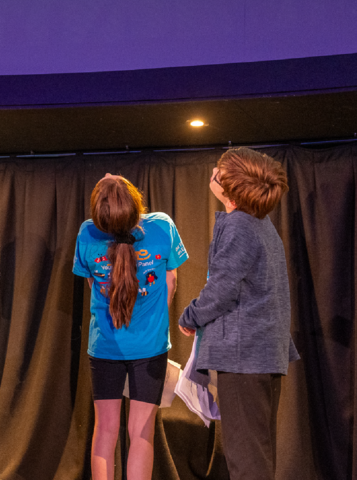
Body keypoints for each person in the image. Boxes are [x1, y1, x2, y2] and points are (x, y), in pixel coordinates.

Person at [178, 147, 299, 480]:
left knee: (247, 460)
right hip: (259, 355)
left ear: (232, 183)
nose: (213, 173)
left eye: (219, 169)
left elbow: (222, 287)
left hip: (246, 357)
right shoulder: (259, 224)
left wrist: (189, 317)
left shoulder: (241, 226)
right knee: (255, 455)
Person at [73, 174, 188, 480]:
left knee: (105, 432)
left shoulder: (87, 233)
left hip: (105, 347)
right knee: (141, 434)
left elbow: (91, 284)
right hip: (150, 347)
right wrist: (152, 319)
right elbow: (171, 280)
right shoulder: (162, 225)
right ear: (135, 204)